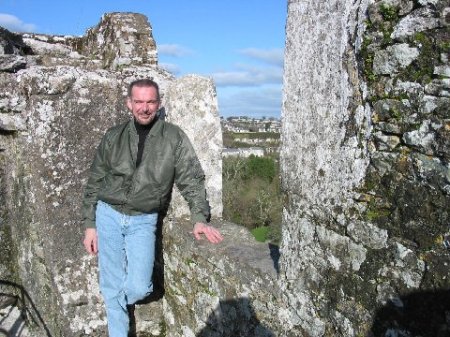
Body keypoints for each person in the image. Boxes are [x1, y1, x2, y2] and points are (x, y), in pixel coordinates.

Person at [82, 79, 223, 337]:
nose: (144, 108)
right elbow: (95, 181)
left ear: (159, 104)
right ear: (129, 103)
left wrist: (199, 217)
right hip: (108, 215)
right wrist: (90, 224)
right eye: (138, 101)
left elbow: (191, 178)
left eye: (150, 102)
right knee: (111, 285)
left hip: (143, 220)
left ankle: (114, 299)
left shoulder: (173, 137)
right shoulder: (114, 136)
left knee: (139, 287)